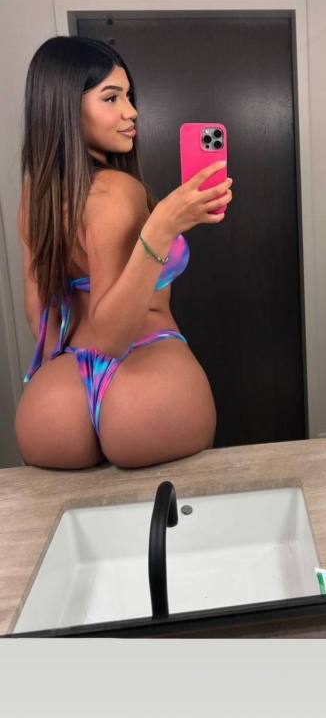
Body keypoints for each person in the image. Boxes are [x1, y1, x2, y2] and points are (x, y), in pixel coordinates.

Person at [14, 35, 233, 470]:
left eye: (129, 97)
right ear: (66, 108)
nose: (131, 112)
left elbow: (40, 315)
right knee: (170, 510)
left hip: (57, 398)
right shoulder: (118, 191)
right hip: (146, 378)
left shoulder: (34, 196)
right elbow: (112, 339)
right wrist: (162, 227)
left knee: (78, 516)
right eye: (111, 98)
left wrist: (65, 378)